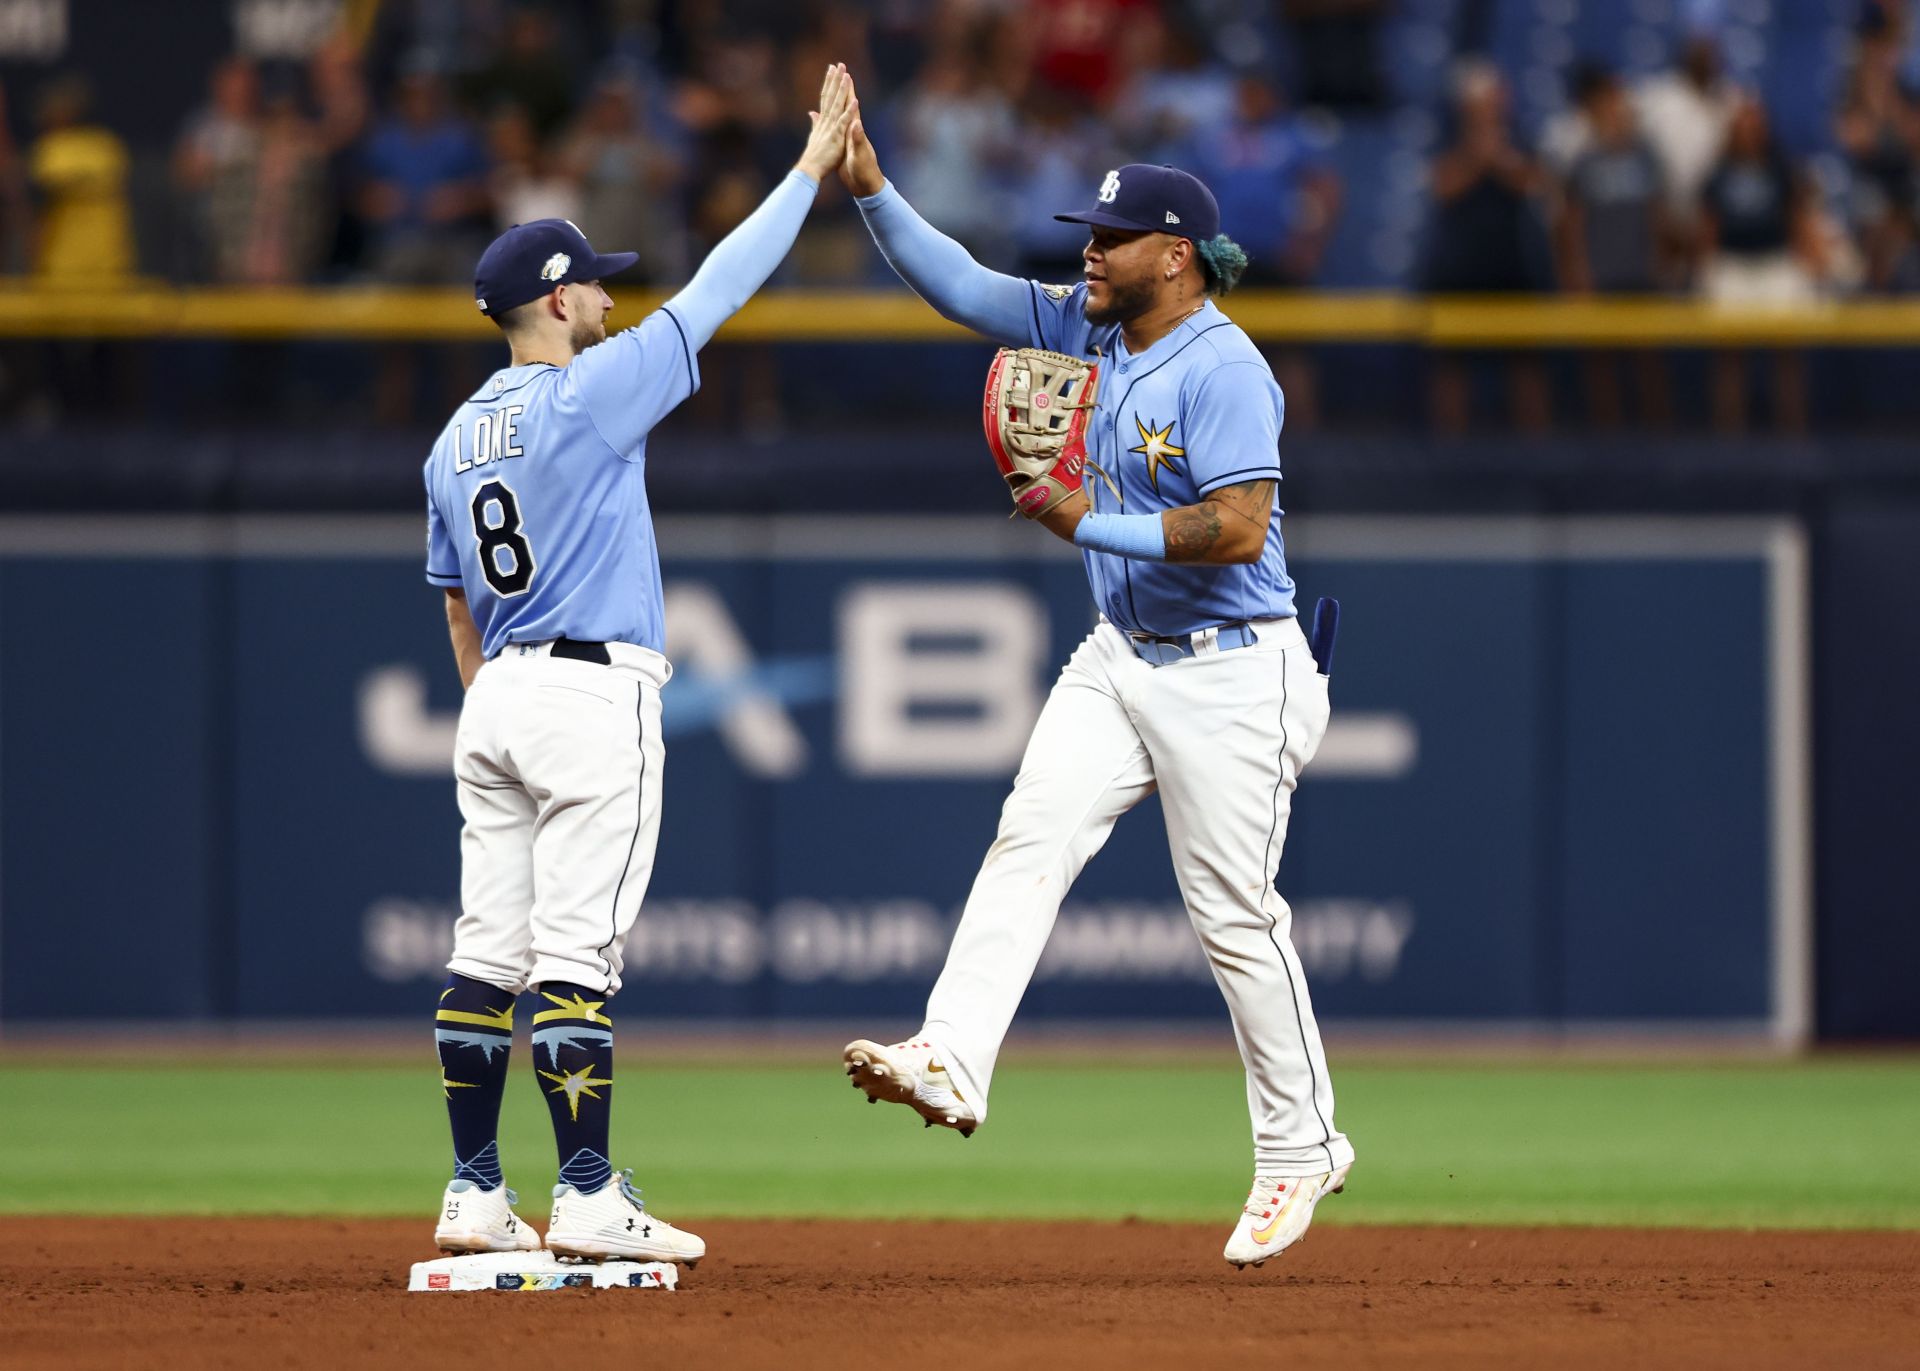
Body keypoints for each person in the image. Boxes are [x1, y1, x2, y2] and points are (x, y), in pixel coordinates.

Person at [833, 93, 1355, 1269]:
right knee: (1030, 837)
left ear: (1176, 256)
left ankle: (1300, 1147)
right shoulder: (1094, 327)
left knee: (1233, 919)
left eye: (1111, 238)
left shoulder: (1226, 370)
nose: (1089, 251)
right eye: (1090, 235)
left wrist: (1088, 525)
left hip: (1235, 669)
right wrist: (871, 187)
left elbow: (1233, 528)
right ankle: (951, 1058)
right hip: (1122, 658)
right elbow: (965, 289)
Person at [423, 64, 857, 1265]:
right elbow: (720, 289)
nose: (612, 299)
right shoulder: (589, 396)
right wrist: (809, 172)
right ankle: (588, 1192)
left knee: (483, 953)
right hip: (588, 690)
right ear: (556, 303)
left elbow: (457, 609)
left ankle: (470, 1190)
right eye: (595, 285)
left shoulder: (454, 439)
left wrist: (498, 715)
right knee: (575, 960)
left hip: (497, 696)